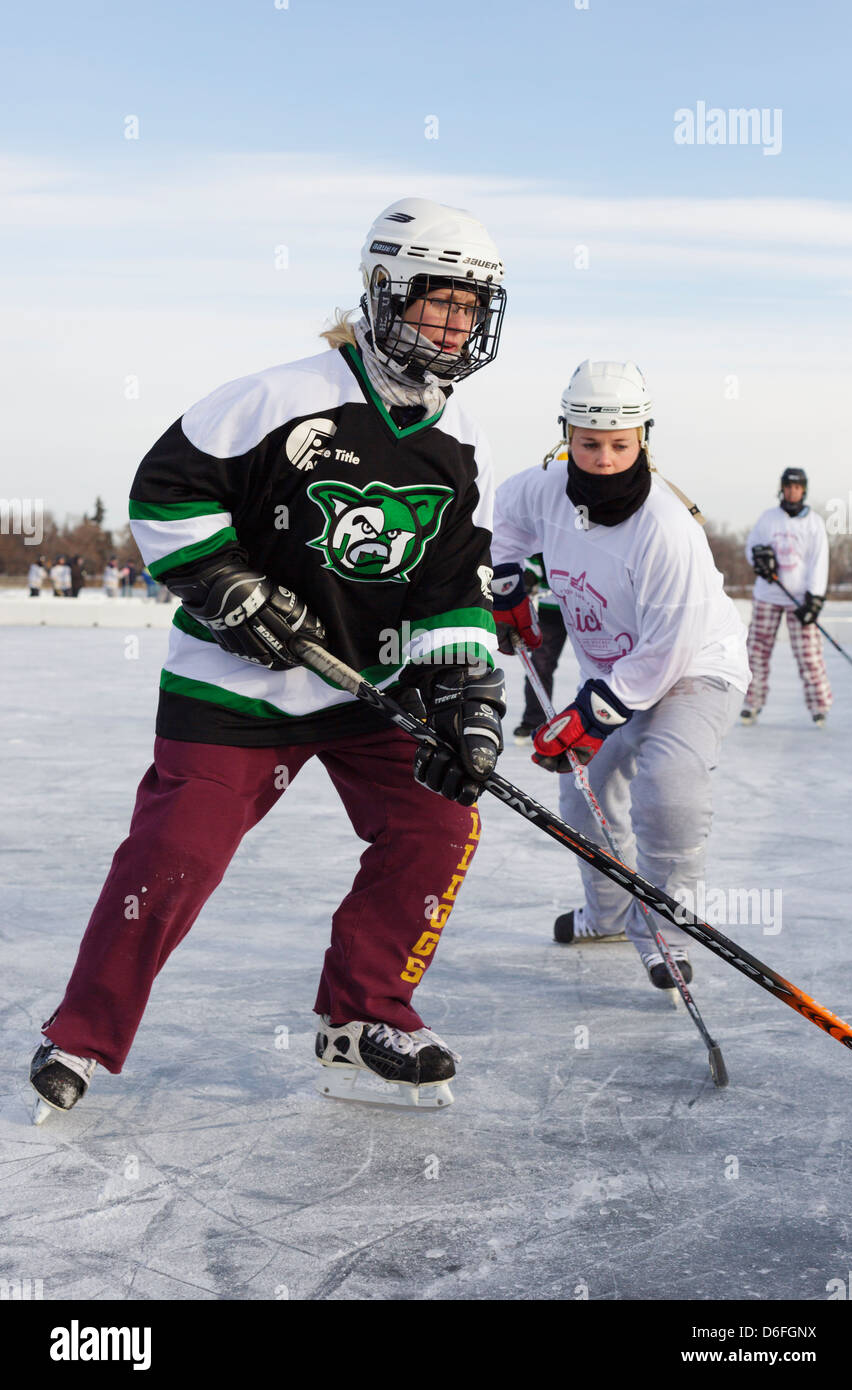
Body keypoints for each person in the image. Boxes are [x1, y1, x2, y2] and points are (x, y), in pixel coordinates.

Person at [30, 196, 508, 1119]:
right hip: (235, 689)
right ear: (381, 292)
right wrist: (228, 587)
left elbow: (449, 582)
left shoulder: (454, 443)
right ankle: (80, 1035)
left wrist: (464, 696)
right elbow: (166, 495)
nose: (452, 325)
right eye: (435, 301)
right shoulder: (278, 396)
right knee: (175, 853)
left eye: (468, 308)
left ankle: (362, 1018)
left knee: (440, 825)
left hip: (366, 688)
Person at [491, 360, 749, 988]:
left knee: (671, 786)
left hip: (693, 669)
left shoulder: (666, 529)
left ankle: (664, 928)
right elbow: (500, 520)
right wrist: (506, 581)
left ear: (642, 440)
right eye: (589, 443)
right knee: (583, 796)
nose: (604, 458)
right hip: (612, 669)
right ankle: (606, 913)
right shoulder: (544, 488)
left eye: (619, 444)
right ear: (567, 436)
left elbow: (667, 648)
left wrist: (592, 712)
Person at [740, 468, 831, 728]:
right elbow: (751, 548)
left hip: (799, 597)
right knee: (756, 652)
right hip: (768, 595)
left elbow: (819, 562)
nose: (793, 491)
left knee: (809, 655)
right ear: (782, 489)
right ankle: (751, 704)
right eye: (788, 487)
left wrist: (815, 599)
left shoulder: (813, 522)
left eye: (797, 487)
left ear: (804, 490)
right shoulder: (768, 519)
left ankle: (819, 707)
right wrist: (760, 562)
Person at [512, 553, 568, 744]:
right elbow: (534, 556)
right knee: (540, 664)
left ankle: (603, 720)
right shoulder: (552, 524)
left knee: (600, 662)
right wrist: (529, 578)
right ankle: (534, 722)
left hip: (591, 605)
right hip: (552, 610)